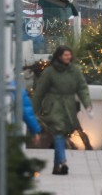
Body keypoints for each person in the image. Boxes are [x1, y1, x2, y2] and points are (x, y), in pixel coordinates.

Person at [32, 45, 92, 176]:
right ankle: (63, 162)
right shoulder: (50, 72)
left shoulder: (75, 71)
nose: (68, 57)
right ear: (59, 56)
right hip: (54, 106)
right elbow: (40, 92)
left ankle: (56, 166)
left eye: (69, 55)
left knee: (63, 134)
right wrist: (33, 110)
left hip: (69, 107)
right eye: (66, 55)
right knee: (58, 132)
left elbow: (82, 88)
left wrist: (87, 104)